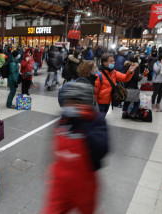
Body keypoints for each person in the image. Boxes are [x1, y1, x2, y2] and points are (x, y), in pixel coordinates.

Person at [42, 81, 109, 214]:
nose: (69, 106)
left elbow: (101, 150)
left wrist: (85, 123)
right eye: (67, 102)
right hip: (60, 184)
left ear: (84, 102)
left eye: (73, 102)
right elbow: (54, 146)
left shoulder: (96, 120)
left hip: (84, 186)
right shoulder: (64, 118)